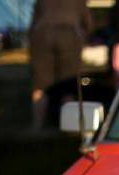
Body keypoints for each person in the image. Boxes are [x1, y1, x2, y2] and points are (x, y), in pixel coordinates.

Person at [29, 0, 93, 130]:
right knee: (68, 84)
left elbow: (34, 21)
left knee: (40, 85)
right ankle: (68, 126)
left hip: (41, 36)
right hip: (69, 36)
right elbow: (88, 23)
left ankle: (37, 126)